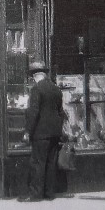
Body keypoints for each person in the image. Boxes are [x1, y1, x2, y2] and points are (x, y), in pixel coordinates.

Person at [21, 61, 64, 202]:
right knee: (51, 163)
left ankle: (36, 194)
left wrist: (28, 131)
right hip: (54, 133)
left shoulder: (36, 89)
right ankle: (49, 193)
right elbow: (60, 112)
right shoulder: (56, 89)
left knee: (38, 163)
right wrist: (59, 129)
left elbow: (33, 112)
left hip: (40, 133)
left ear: (35, 76)